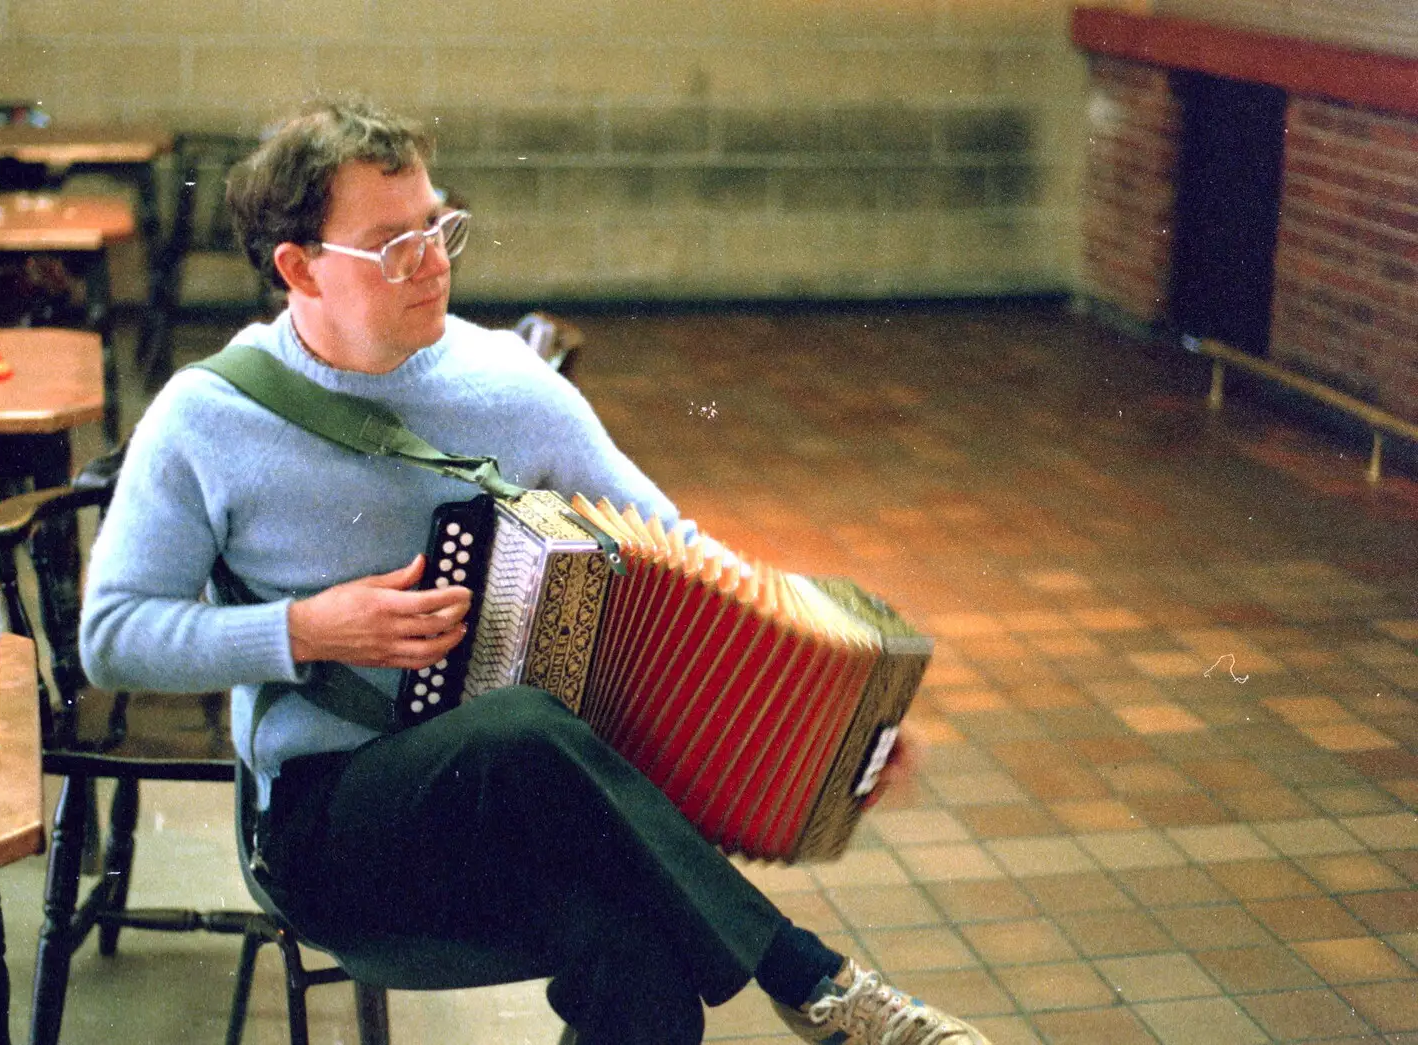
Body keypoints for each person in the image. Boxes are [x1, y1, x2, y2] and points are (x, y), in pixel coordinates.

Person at [80, 97, 991, 1045]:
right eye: (393, 244)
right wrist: (305, 630)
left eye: (439, 227)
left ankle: (815, 988)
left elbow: (681, 550)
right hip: (331, 829)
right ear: (298, 267)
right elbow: (111, 638)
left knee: (641, 962)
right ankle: (813, 979)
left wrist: (843, 725)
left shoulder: (510, 383)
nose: (432, 261)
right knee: (517, 726)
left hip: (523, 812)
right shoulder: (206, 415)